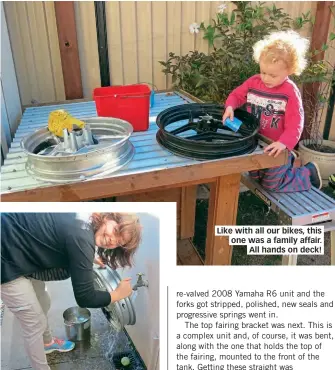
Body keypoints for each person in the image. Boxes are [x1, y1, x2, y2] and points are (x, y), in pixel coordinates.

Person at [1, 212, 142, 370]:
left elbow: (69, 241)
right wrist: (117, 295)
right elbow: (85, 297)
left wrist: (85, 256)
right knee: (34, 323)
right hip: (5, 257)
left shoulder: (83, 228)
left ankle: (47, 343)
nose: (112, 240)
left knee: (43, 300)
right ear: (108, 218)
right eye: (116, 231)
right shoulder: (82, 237)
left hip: (20, 247)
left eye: (119, 242)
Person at [222, 30, 322, 192]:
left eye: (273, 75)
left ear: (289, 70)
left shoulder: (289, 92)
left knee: (271, 185)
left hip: (277, 148)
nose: (266, 78)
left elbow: (296, 124)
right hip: (256, 142)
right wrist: (230, 107)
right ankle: (288, 166)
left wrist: (284, 143)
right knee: (255, 178)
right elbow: (237, 95)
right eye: (263, 72)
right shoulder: (254, 82)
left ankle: (307, 174)